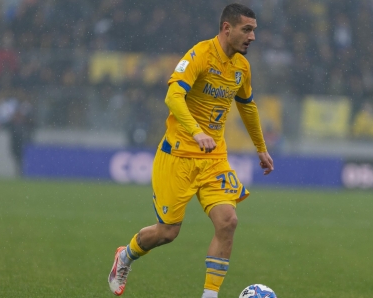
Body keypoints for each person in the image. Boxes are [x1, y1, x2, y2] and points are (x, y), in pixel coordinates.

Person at [108, 3, 274, 297]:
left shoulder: (242, 67)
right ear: (227, 28)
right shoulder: (199, 55)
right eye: (247, 29)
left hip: (214, 159)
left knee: (228, 221)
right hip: (179, 156)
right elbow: (173, 96)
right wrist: (196, 132)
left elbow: (247, 107)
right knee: (167, 233)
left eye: (254, 30)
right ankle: (126, 256)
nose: (252, 37)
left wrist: (261, 148)